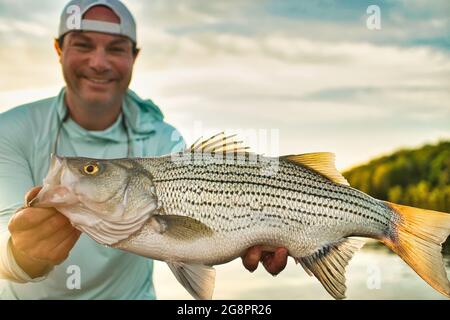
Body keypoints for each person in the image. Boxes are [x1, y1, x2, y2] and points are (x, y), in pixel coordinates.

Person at [0, 0, 288, 299]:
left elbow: (200, 231)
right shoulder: (8, 130)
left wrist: (267, 224)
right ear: (59, 50)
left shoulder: (164, 140)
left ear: (134, 57)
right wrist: (24, 255)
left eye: (115, 48)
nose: (98, 62)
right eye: (83, 45)